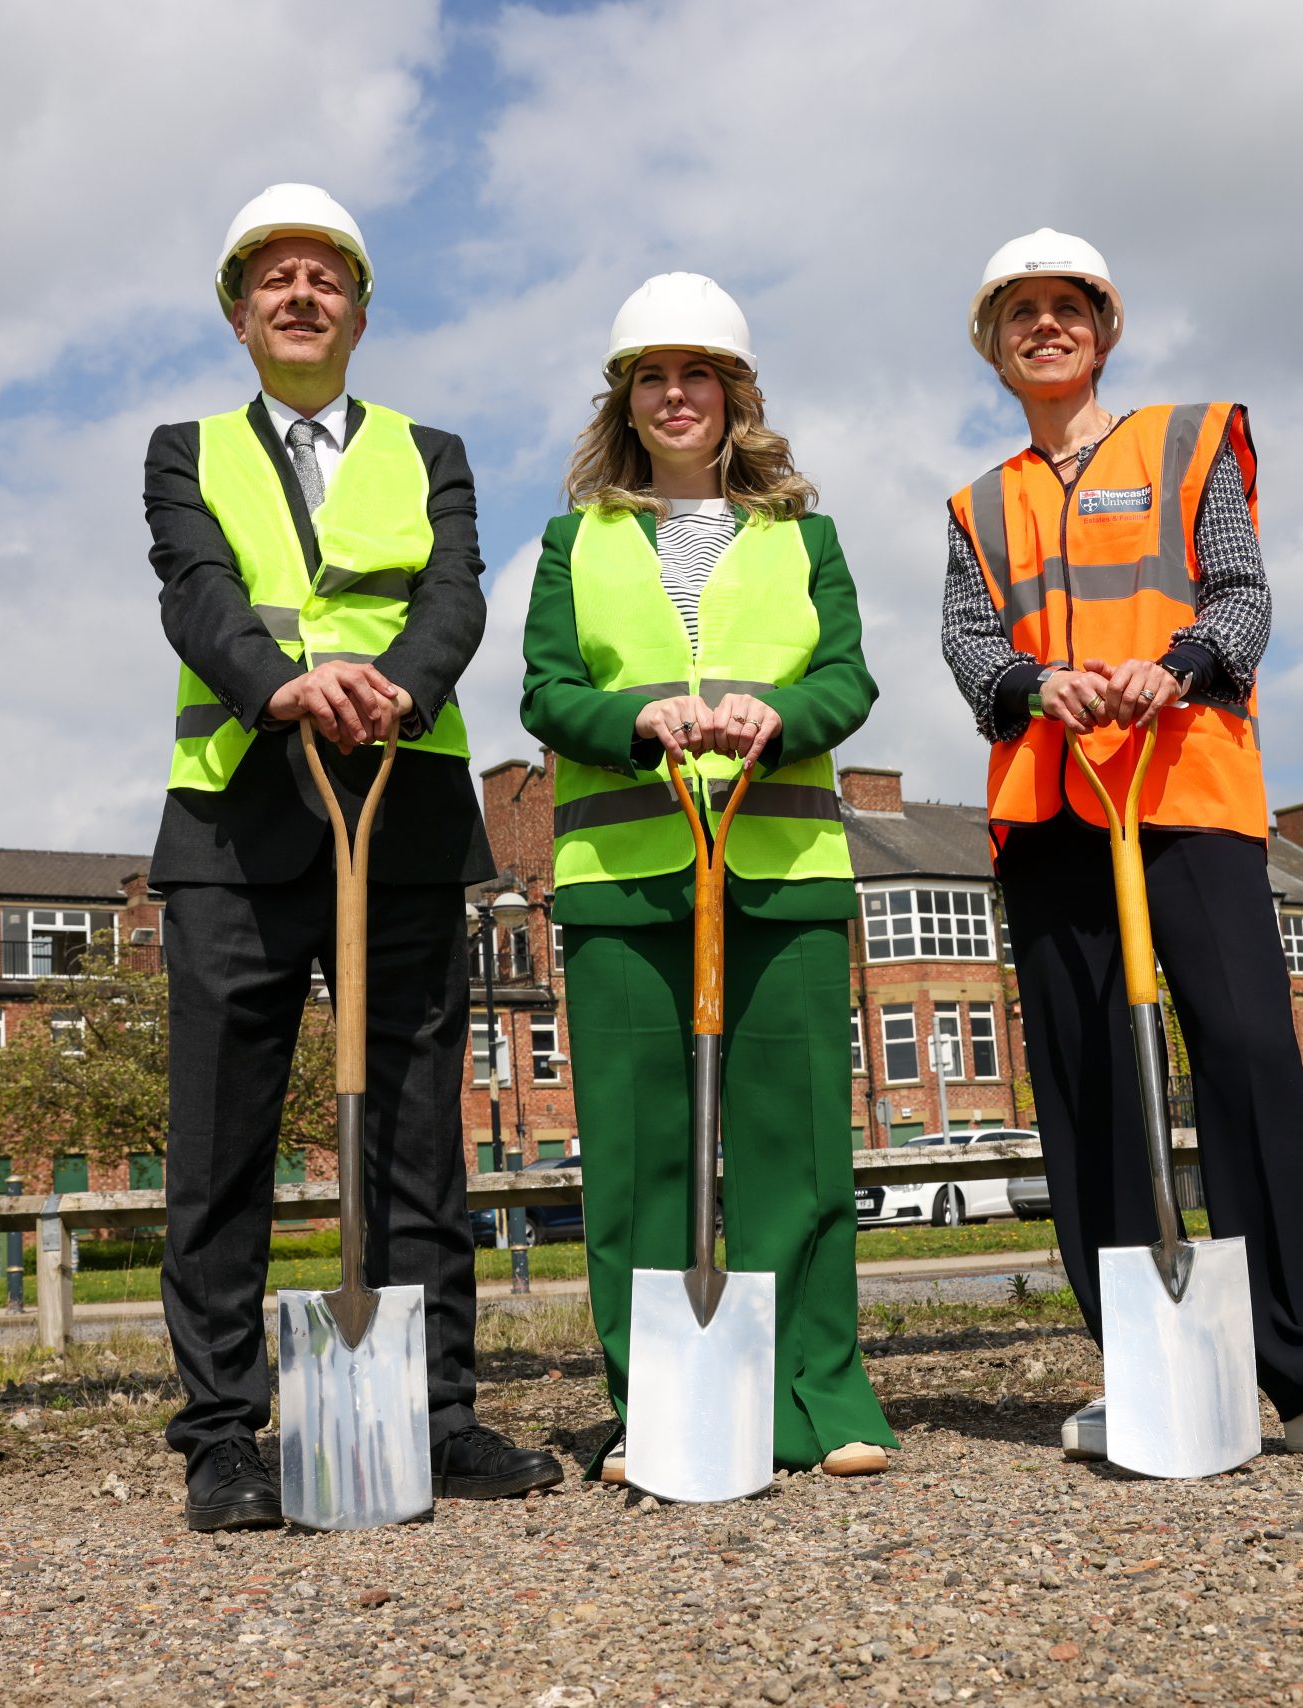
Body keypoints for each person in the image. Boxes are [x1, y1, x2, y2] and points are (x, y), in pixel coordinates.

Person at [940, 228, 1303, 1463]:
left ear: (1104, 328)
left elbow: (1243, 593)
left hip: (1186, 789)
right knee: (1092, 1085)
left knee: (1251, 1054)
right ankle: (1142, 1364)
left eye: (1068, 306)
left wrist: (1176, 666)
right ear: (995, 346)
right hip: (1053, 811)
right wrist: (1030, 683)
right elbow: (966, 641)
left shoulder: (1188, 442)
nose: (1045, 326)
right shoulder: (977, 503)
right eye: (1020, 312)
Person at [145, 183, 563, 1531]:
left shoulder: (430, 449)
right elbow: (196, 590)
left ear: (362, 310)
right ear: (238, 311)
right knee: (224, 1137)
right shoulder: (184, 449)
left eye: (328, 276)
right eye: (275, 277)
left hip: (401, 800)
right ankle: (222, 1430)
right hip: (238, 815)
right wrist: (283, 685)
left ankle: (435, 1411)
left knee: (415, 1127)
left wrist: (396, 684)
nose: (302, 294)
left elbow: (457, 592)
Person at [520, 274, 897, 1483]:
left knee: (795, 1148)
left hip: (783, 871)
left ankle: (819, 1396)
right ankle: (656, 1404)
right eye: (651, 377)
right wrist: (642, 718)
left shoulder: (807, 537)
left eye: (698, 375)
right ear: (622, 401)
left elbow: (846, 679)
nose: (674, 395)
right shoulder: (575, 541)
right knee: (638, 1155)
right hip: (622, 879)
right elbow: (544, 692)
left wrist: (772, 713)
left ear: (735, 397)